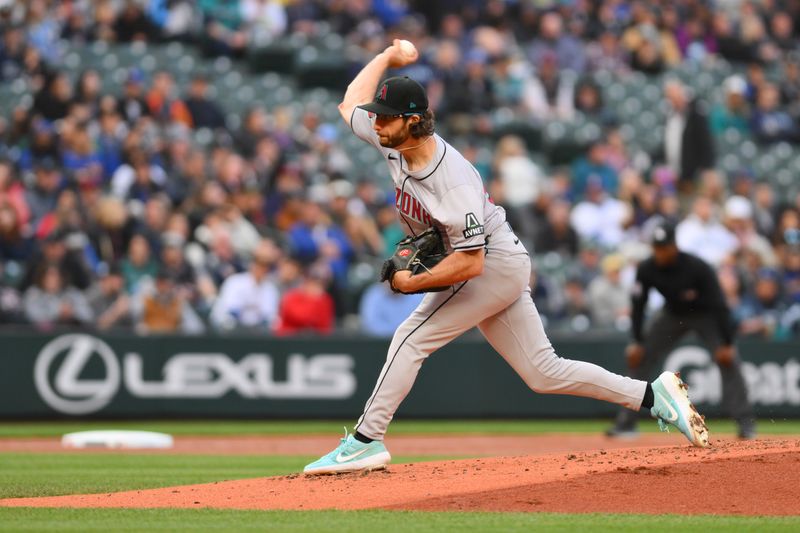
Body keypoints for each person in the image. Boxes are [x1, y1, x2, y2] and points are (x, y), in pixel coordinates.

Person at [304, 40, 709, 475]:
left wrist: (411, 283)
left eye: (386, 117)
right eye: (378, 116)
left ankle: (366, 440)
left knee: (411, 336)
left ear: (414, 121)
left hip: (490, 263)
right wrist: (386, 56)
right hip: (501, 260)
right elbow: (349, 103)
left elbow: (471, 263)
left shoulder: (451, 181)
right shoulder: (391, 138)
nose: (376, 123)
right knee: (543, 372)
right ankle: (654, 395)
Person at [606, 223, 756, 440]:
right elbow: (638, 305)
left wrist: (727, 343)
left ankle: (745, 424)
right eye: (656, 248)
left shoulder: (697, 267)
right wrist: (636, 341)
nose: (660, 253)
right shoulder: (647, 268)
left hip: (705, 315)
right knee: (640, 358)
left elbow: (720, 305)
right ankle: (625, 423)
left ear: (674, 246)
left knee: (729, 361)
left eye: (664, 248)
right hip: (672, 314)